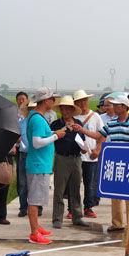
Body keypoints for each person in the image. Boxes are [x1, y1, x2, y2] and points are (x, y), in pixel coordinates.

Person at [99, 93, 129, 234]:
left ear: (124, 107)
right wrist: (82, 130)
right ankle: (117, 223)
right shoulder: (111, 123)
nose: (113, 107)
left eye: (116, 105)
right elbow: (99, 135)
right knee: (115, 196)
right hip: (116, 164)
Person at [26, 87, 65, 244]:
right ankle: (34, 233)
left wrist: (54, 133)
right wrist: (56, 136)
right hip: (38, 165)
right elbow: (36, 142)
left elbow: (42, 137)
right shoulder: (37, 119)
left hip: (40, 164)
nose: (54, 102)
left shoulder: (37, 117)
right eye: (52, 99)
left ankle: (36, 227)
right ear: (46, 101)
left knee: (37, 198)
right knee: (34, 200)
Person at [50, 95, 90, 229]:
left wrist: (84, 148)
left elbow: (83, 140)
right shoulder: (56, 124)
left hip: (77, 158)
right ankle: (57, 218)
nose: (65, 111)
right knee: (59, 189)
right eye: (63, 109)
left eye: (68, 108)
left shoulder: (78, 124)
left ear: (72, 110)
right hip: (61, 158)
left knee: (76, 188)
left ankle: (77, 216)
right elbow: (51, 138)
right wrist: (63, 129)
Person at [73, 89, 105, 218]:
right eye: (79, 101)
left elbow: (102, 135)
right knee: (74, 184)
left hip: (91, 156)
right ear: (75, 103)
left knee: (89, 184)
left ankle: (88, 207)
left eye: (84, 100)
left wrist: (98, 150)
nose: (82, 103)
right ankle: (73, 208)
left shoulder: (95, 116)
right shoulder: (73, 118)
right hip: (76, 155)